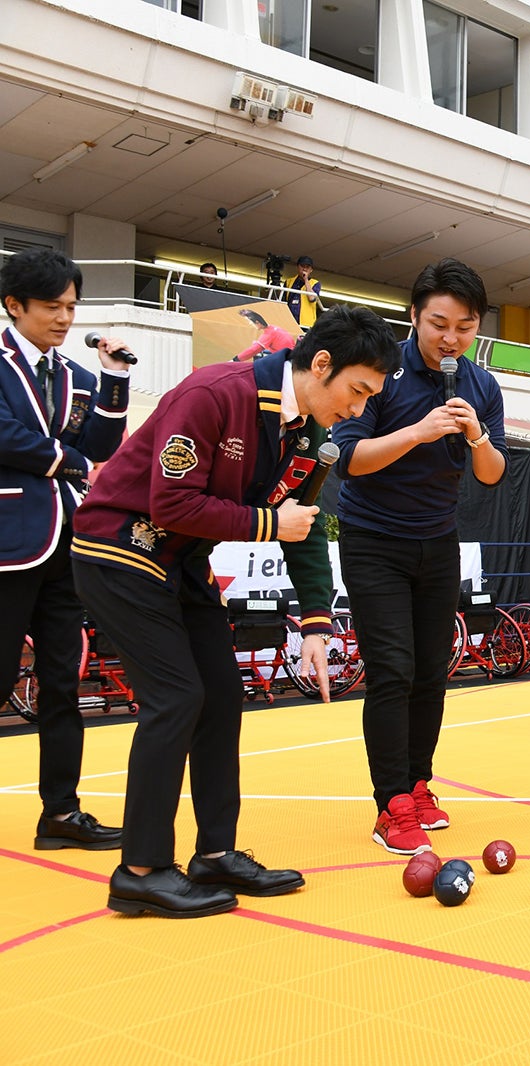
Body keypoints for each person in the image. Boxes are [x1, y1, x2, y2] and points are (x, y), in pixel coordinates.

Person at [72, 306, 400, 917]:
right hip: (118, 547)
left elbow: (304, 526)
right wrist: (267, 522)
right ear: (320, 364)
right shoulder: (214, 393)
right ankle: (141, 869)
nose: (358, 411)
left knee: (221, 695)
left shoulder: (306, 435)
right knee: (176, 698)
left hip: (181, 563)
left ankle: (215, 854)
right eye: (357, 392)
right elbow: (170, 501)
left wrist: (316, 623)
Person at [332, 258, 506, 855]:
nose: (450, 338)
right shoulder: (382, 369)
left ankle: (418, 784)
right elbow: (349, 459)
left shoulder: (481, 385)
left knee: (432, 672)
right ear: (413, 317)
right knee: (393, 670)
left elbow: (491, 475)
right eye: (438, 324)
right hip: (373, 539)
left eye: (464, 326)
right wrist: (417, 432)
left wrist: (476, 435)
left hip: (439, 542)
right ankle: (390, 804)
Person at [1, 249, 133, 852]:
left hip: (63, 544)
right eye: (52, 307)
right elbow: (9, 437)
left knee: (62, 682)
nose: (63, 318)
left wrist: (114, 379)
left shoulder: (68, 372)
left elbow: (103, 440)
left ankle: (61, 812)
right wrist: (78, 463)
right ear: (14, 306)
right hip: (6, 544)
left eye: (71, 307)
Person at [235, 308, 299, 362]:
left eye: (250, 321)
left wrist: (236, 359)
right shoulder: (273, 328)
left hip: (285, 359)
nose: (250, 324)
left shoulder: (268, 334)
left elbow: (254, 350)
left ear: (257, 322)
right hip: (289, 355)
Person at [286, 255, 321, 329]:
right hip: (289, 321)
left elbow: (312, 298)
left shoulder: (315, 283)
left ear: (311, 270)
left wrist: (306, 280)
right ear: (298, 267)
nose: (304, 269)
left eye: (307, 267)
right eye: (302, 266)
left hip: (306, 324)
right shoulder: (289, 282)